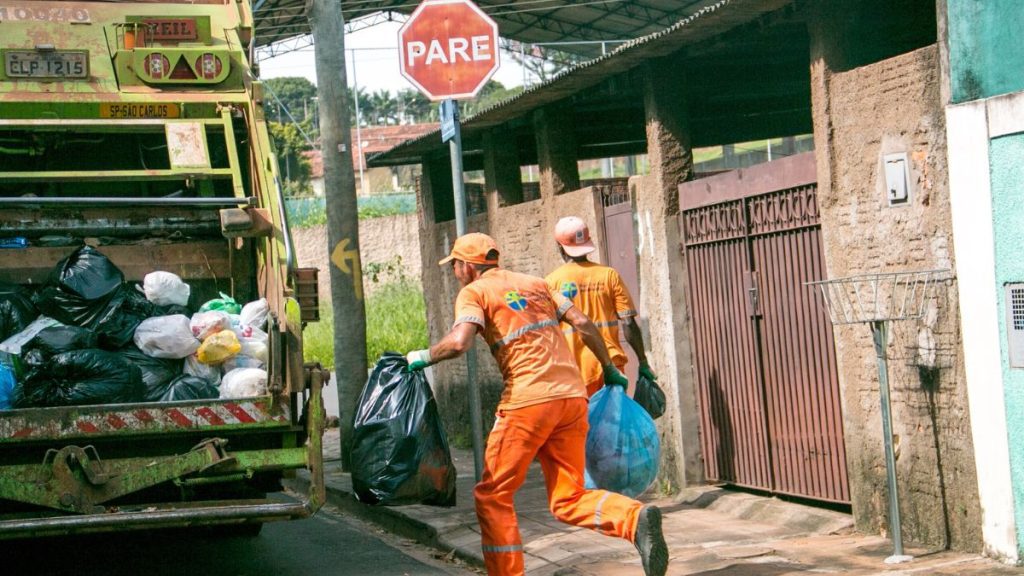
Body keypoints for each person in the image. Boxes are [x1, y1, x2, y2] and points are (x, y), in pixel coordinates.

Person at [405, 232, 668, 576]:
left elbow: (460, 342)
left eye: (454, 265)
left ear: (467, 266)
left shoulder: (475, 292)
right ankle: (634, 519)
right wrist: (608, 368)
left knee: (493, 495)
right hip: (571, 398)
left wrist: (423, 356)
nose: (454, 272)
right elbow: (583, 323)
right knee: (568, 497)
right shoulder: (536, 284)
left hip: (527, 402)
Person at [545, 216, 657, 397]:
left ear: (560, 246)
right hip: (612, 368)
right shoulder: (609, 275)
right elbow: (628, 323)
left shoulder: (550, 282)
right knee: (614, 415)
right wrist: (643, 361)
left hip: (576, 371)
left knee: (584, 417)